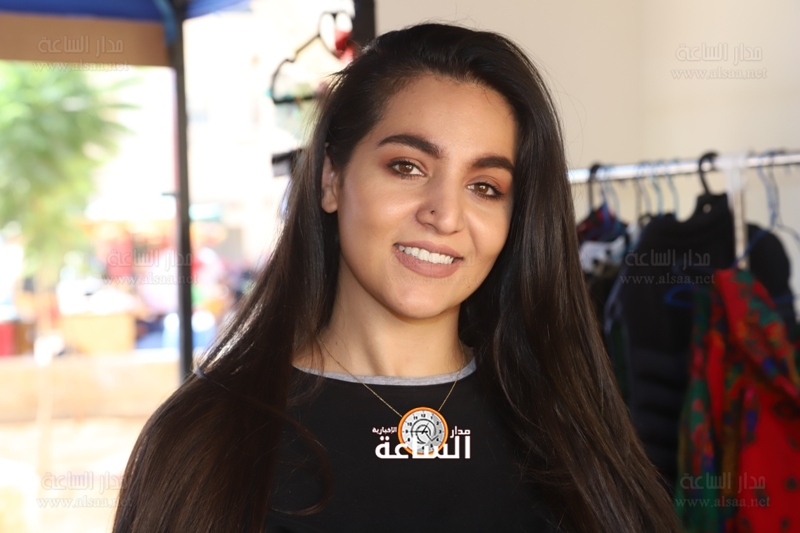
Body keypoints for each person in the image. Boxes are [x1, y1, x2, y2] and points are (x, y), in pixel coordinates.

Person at [112, 23, 680, 532]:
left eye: (484, 187)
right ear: (331, 180)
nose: (445, 215)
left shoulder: (569, 432)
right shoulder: (203, 438)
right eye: (407, 167)